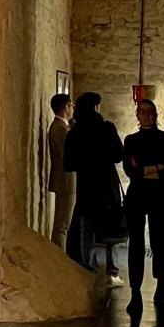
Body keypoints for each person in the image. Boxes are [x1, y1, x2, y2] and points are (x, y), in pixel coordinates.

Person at [122, 97, 164, 314]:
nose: (146, 115)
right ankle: (135, 291)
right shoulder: (131, 140)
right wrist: (156, 167)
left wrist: (143, 169)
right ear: (137, 115)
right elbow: (130, 171)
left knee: (159, 240)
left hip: (160, 195)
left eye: (149, 111)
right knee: (136, 243)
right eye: (142, 111)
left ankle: (160, 283)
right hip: (137, 195)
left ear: (155, 114)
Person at [62, 92, 125, 276]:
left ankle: (86, 266)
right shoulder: (107, 128)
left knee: (87, 228)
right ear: (96, 107)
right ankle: (111, 265)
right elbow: (118, 155)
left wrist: (86, 160)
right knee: (111, 226)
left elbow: (68, 164)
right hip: (107, 183)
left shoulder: (74, 133)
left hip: (86, 184)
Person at [46, 93, 73, 247]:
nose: (73, 109)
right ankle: (58, 256)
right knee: (62, 226)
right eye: (71, 106)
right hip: (66, 181)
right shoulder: (60, 128)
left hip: (65, 181)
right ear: (65, 108)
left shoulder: (62, 126)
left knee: (63, 225)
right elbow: (68, 156)